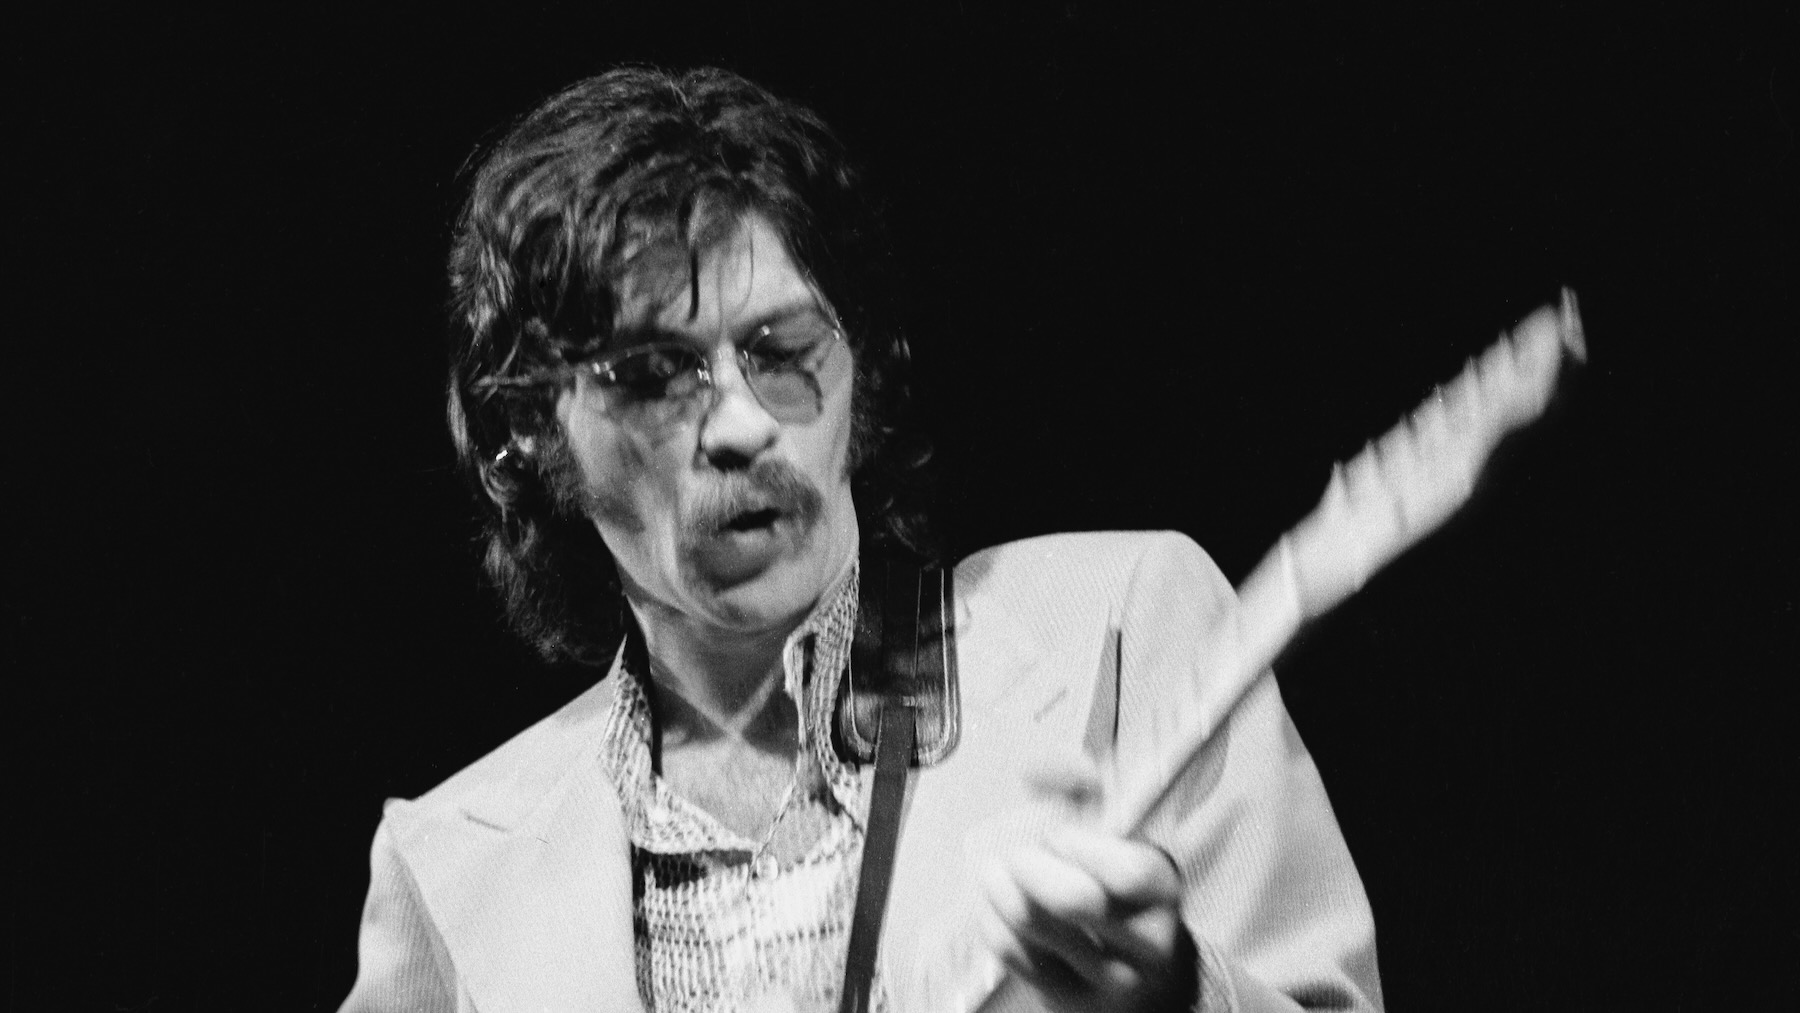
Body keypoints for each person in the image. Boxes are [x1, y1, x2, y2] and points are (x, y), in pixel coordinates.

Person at [339, 67, 1382, 1013]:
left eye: (779, 349)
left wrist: (1178, 993)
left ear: (862, 366)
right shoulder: (450, 869)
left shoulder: (1122, 626)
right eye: (655, 375)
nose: (742, 423)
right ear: (527, 430)